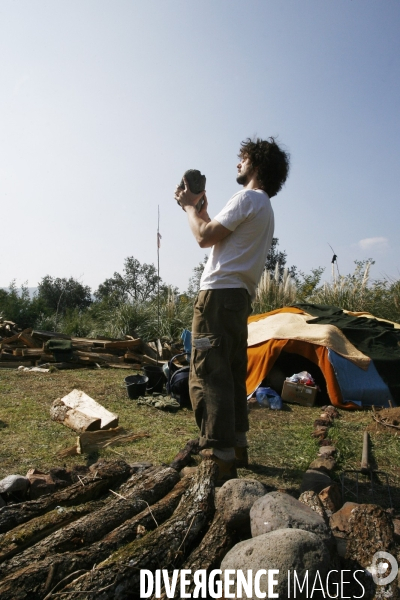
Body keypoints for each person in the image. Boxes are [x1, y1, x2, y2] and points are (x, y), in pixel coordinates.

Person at [175, 137, 290, 480]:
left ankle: (220, 456)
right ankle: (237, 445)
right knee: (231, 370)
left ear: (255, 162)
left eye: (242, 159)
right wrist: (203, 211)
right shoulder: (264, 207)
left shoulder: (247, 198)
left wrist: (188, 208)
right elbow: (220, 235)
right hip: (239, 299)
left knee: (209, 371)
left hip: (217, 296)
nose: (237, 164)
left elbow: (204, 238)